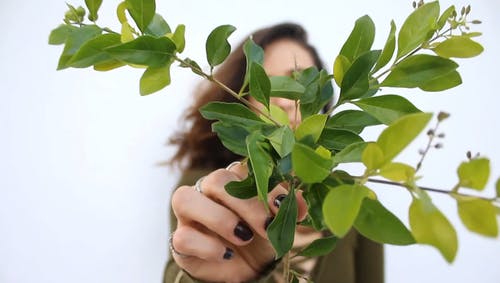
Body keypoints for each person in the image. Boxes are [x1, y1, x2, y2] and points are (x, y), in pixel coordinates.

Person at [163, 22, 384, 283]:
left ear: (322, 103)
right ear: (241, 103)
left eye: (296, 82)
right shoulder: (207, 189)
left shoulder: (355, 197)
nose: (281, 99)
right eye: (264, 85)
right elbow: (177, 271)